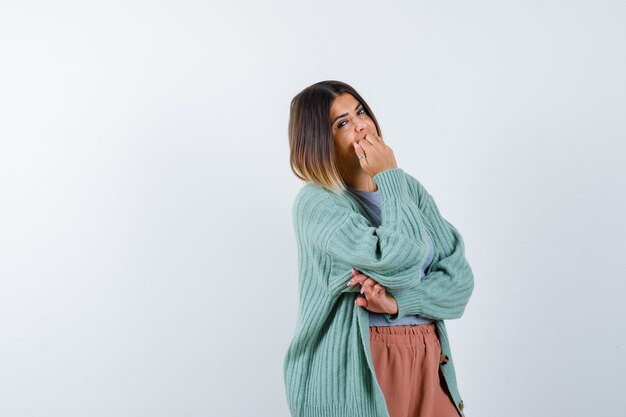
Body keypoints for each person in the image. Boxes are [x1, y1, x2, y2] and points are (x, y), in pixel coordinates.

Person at [283, 80, 474, 417]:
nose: (361, 125)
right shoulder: (317, 204)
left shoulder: (407, 189)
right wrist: (387, 175)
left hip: (428, 354)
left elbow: (459, 284)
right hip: (363, 363)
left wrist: (398, 301)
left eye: (360, 112)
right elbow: (398, 260)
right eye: (342, 123)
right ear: (319, 142)